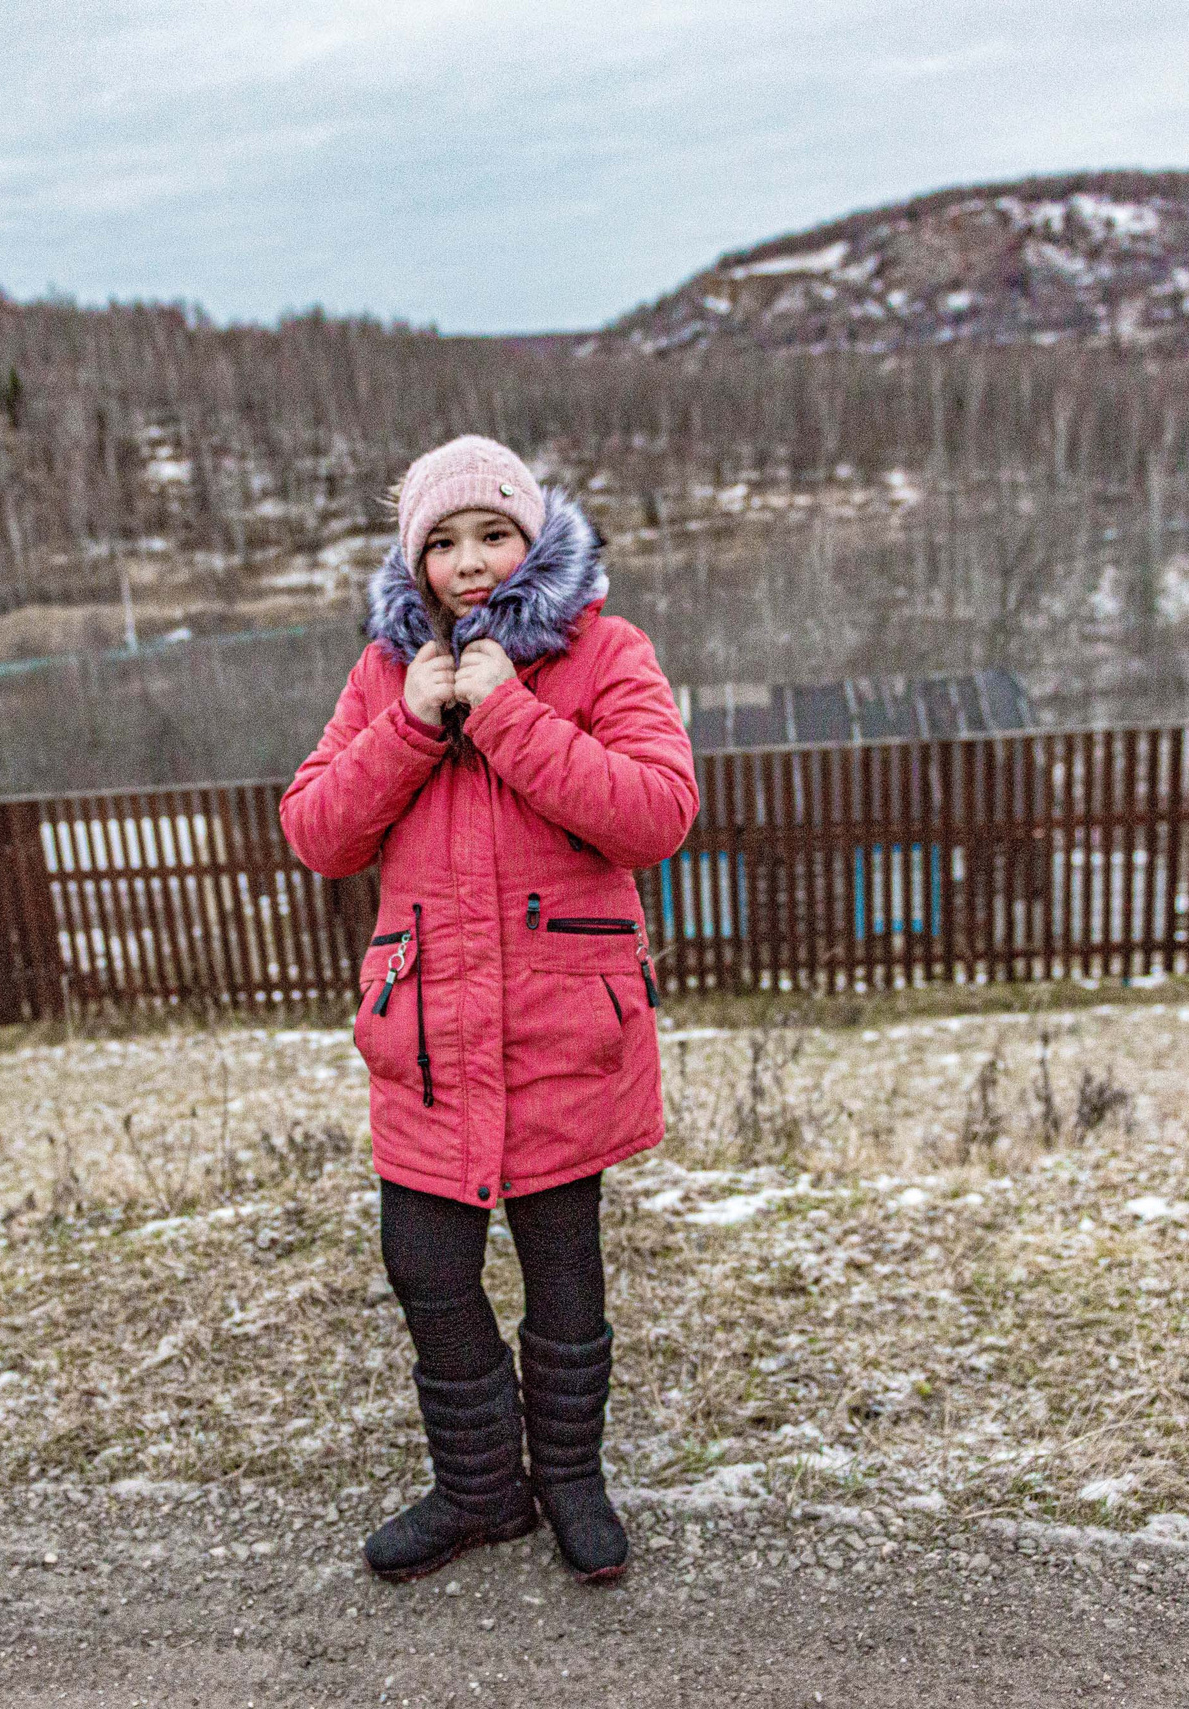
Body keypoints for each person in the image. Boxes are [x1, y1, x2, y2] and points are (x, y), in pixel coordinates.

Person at [279, 434, 698, 1584]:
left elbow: (656, 814)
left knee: (564, 1271)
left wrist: (506, 712)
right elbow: (318, 833)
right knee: (424, 1262)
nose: (470, 561)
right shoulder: (383, 672)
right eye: (444, 542)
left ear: (533, 538)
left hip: (563, 1033)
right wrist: (409, 722)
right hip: (428, 1038)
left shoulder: (605, 653)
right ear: (413, 562)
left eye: (492, 535)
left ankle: (570, 1481)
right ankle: (479, 1492)